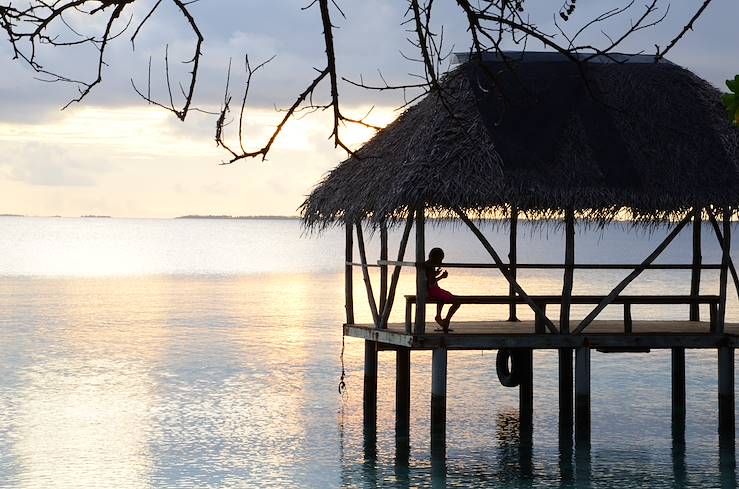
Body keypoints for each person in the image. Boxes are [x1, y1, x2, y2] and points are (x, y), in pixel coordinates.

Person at [424, 247, 461, 333]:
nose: (440, 262)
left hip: (431, 290)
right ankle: (447, 320)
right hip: (432, 291)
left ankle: (439, 316)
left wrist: (435, 274)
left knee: (444, 296)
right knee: (457, 301)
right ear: (435, 258)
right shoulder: (429, 266)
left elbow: (429, 278)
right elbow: (430, 282)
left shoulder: (428, 264)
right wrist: (441, 277)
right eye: (440, 260)